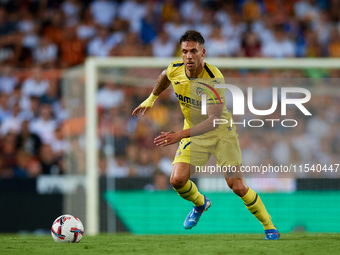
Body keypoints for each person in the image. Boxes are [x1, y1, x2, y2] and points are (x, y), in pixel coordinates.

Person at [132, 30, 280, 240]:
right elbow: (165, 75)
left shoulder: (213, 78)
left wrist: (180, 135)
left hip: (221, 133)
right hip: (194, 134)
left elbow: (214, 121)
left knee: (236, 185)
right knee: (177, 180)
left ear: (203, 52)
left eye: (194, 51)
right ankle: (200, 203)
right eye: (185, 51)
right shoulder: (176, 69)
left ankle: (269, 226)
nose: (189, 56)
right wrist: (151, 98)